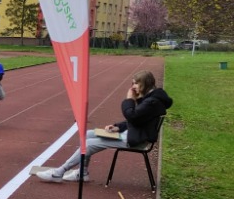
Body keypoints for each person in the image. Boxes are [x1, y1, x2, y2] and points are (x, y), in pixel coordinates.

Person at [38, 70, 173, 183]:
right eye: (132, 83)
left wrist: (129, 100)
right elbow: (138, 119)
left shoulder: (152, 102)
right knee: (88, 134)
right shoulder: (152, 99)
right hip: (134, 133)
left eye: (136, 83)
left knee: (88, 144)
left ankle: (59, 172)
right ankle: (82, 173)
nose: (133, 87)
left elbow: (132, 116)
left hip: (136, 140)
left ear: (145, 84)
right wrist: (118, 127)